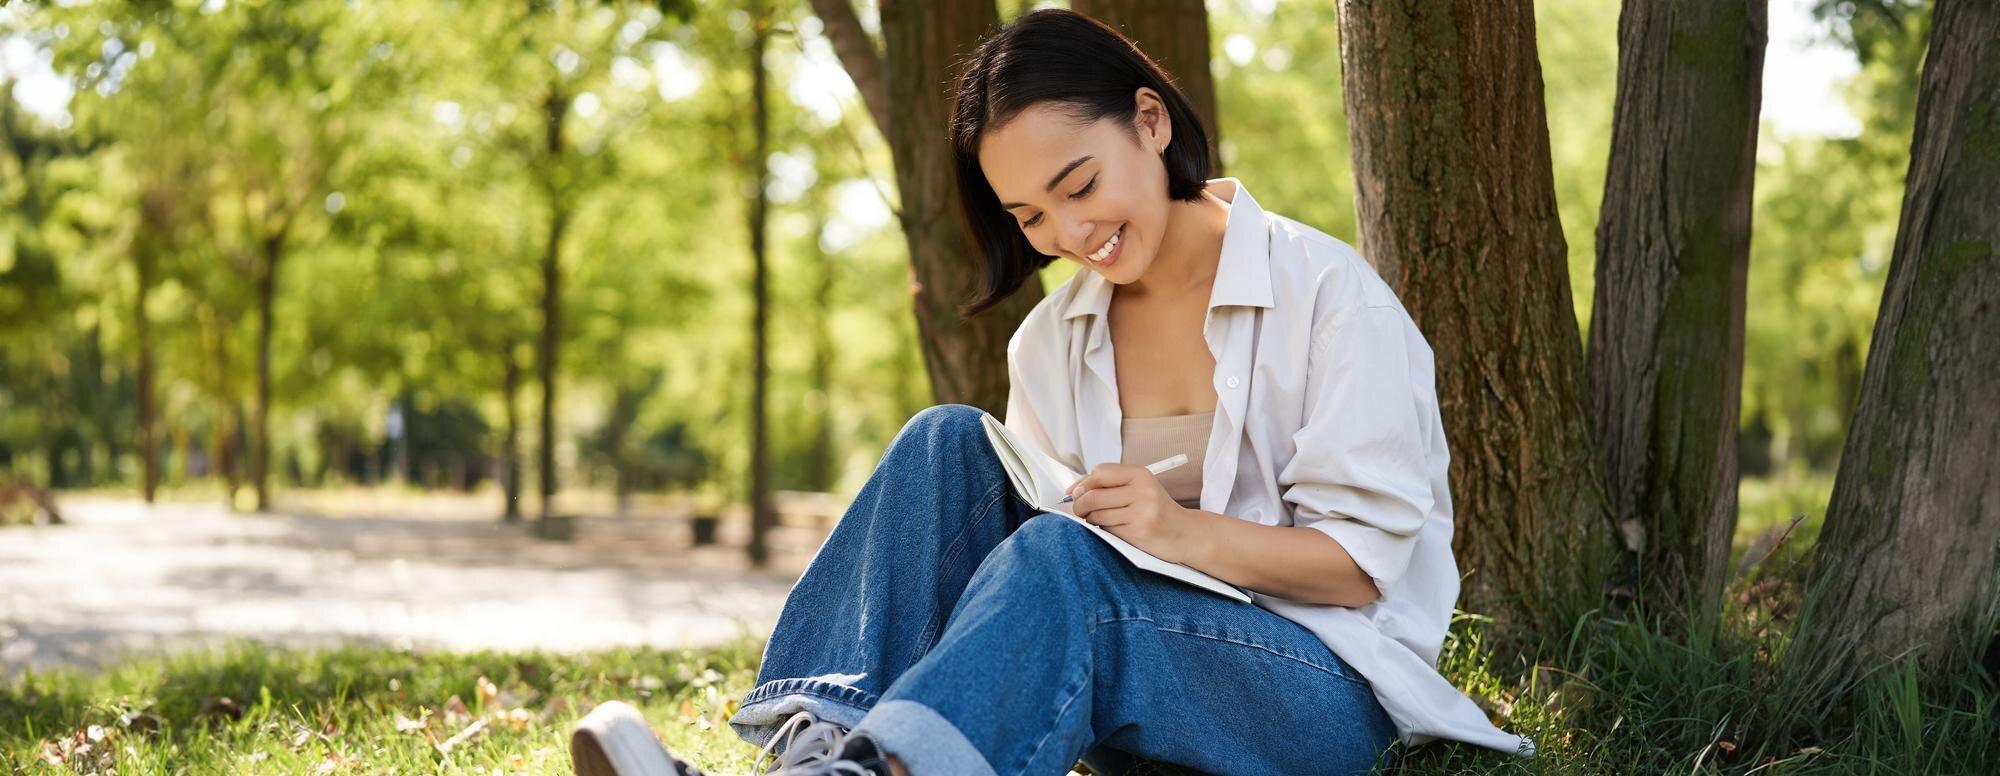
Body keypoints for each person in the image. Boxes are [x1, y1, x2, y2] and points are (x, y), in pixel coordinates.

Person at [570, 9, 1532, 776]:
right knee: (950, 439)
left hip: (1318, 692)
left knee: (1068, 560)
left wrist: (1177, 530)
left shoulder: (1328, 297)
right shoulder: (1050, 341)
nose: (1071, 234)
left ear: (1150, 123)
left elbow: (1361, 569)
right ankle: (814, 749)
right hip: (1125, 686)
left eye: (1080, 185)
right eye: (1030, 215)